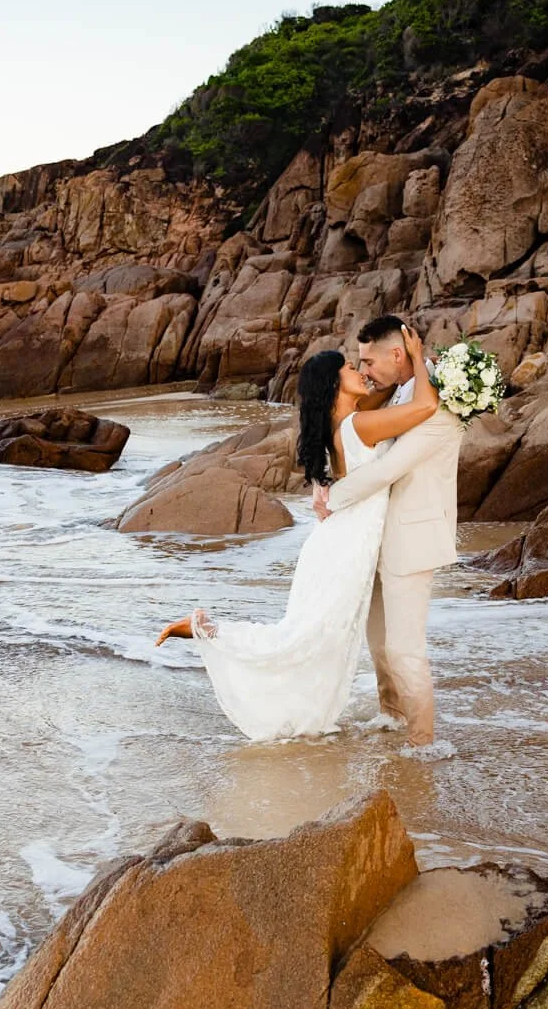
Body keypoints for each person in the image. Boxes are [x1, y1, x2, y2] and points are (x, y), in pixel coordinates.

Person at [155, 323, 442, 743]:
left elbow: (387, 393)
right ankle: (205, 629)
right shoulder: (360, 425)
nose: (360, 371)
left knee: (312, 636)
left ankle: (209, 630)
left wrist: (402, 370)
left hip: (339, 544)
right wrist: (416, 358)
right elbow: (426, 408)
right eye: (349, 367)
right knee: (306, 637)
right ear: (334, 383)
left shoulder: (344, 422)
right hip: (344, 549)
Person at [315, 315, 464, 748]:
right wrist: (318, 479)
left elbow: (388, 469)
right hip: (374, 536)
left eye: (368, 361)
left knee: (404, 649)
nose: (363, 370)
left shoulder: (438, 405)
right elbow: (337, 424)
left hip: (410, 537)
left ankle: (424, 743)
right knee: (378, 643)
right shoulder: (394, 394)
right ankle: (392, 715)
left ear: (397, 354)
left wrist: (333, 498)